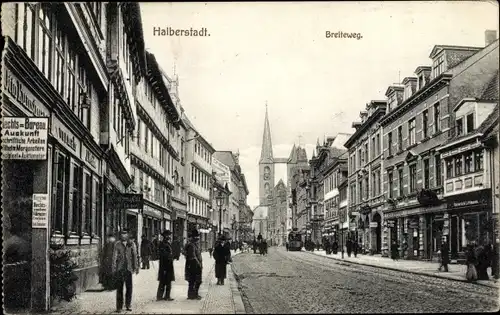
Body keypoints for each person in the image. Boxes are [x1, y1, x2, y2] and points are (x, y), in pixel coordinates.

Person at [112, 230, 139, 312]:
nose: (124, 235)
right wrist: (113, 267)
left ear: (127, 235)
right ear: (120, 235)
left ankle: (128, 304)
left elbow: (135, 256)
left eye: (125, 233)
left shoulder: (131, 244)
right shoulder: (117, 244)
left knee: (129, 288)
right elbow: (114, 257)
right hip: (120, 269)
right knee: (119, 288)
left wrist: (136, 267)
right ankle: (119, 307)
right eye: (122, 234)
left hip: (128, 269)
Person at [184, 229, 203, 300]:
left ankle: (194, 294)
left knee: (196, 281)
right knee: (193, 281)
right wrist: (198, 263)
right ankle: (192, 295)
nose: (198, 238)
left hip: (195, 266)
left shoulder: (195, 245)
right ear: (193, 238)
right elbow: (193, 256)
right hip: (193, 266)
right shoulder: (191, 245)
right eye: (196, 237)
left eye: (198, 237)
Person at [157, 230, 175, 301]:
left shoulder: (167, 243)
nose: (169, 236)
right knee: (163, 281)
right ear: (165, 236)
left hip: (168, 265)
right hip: (165, 265)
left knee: (167, 281)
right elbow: (163, 255)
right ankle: (161, 296)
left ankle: (166, 296)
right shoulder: (163, 244)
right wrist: (170, 256)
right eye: (168, 235)